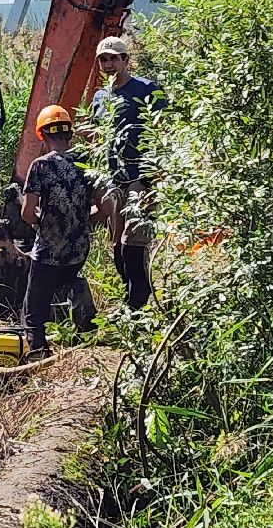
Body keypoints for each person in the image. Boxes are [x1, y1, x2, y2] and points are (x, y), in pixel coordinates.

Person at [90, 35, 169, 310]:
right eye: (104, 59)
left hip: (140, 178)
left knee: (132, 245)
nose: (109, 64)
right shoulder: (101, 97)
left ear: (126, 60)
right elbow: (97, 137)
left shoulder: (147, 90)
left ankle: (136, 309)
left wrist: (156, 174)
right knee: (117, 247)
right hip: (114, 180)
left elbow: (165, 130)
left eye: (114, 58)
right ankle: (131, 302)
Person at [19, 104, 97, 351]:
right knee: (70, 285)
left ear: (43, 134)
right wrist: (80, 220)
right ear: (70, 133)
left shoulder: (40, 166)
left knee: (34, 308)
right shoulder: (86, 162)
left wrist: (43, 223)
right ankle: (85, 335)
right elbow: (103, 208)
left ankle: (36, 351)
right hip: (79, 248)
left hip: (48, 251)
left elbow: (27, 213)